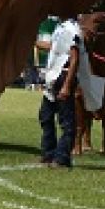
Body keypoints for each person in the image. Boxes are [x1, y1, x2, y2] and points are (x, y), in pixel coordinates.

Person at [36, 16, 82, 169]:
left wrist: (67, 85)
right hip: (52, 77)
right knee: (45, 116)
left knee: (67, 121)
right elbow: (54, 47)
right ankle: (48, 154)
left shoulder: (73, 29)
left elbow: (75, 58)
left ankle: (62, 158)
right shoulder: (60, 27)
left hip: (64, 76)